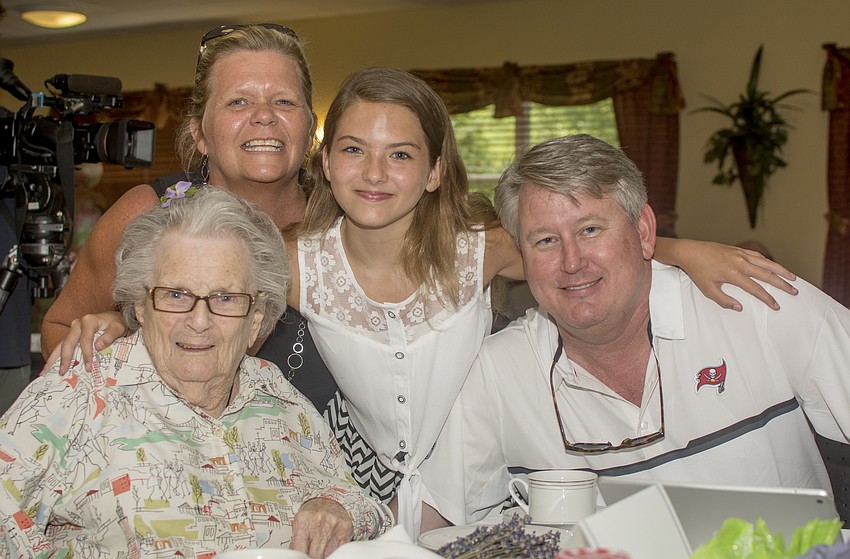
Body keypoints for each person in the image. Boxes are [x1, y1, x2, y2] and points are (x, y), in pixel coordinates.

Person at [46, 61, 800, 537]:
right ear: (328, 164)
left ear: (435, 170)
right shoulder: (295, 265)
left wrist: (682, 247)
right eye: (353, 149)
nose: (375, 172)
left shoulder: (484, 252)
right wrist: (121, 315)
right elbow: (202, 294)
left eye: (400, 153)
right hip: (361, 505)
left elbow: (578, 244)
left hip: (498, 495)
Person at [39, 24, 400, 504]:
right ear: (199, 133)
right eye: (238, 102)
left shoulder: (356, 219)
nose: (265, 118)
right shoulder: (148, 213)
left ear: (309, 128)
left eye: (284, 102)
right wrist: (119, 335)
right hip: (167, 492)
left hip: (330, 494)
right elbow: (61, 330)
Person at [426, 134, 850, 526]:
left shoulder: (757, 306)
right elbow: (437, 519)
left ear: (645, 231)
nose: (572, 262)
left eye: (590, 230)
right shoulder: (493, 374)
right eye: (545, 241)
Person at [0, 187, 391, 558]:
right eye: (175, 295)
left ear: (255, 320)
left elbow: (364, 506)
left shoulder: (278, 395)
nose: (199, 320)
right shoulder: (78, 392)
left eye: (225, 298)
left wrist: (337, 507)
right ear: (140, 305)